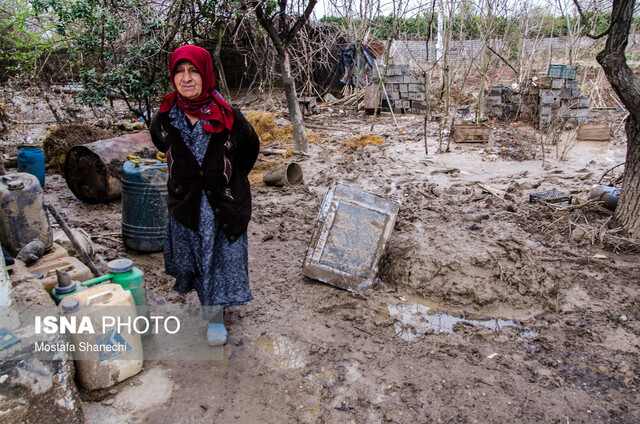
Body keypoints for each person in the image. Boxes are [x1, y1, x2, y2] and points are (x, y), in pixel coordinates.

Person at [150, 45, 260, 346]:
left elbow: (249, 150)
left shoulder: (229, 118)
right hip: (186, 203)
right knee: (197, 260)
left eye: (194, 71)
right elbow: (162, 147)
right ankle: (212, 304)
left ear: (206, 74)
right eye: (179, 71)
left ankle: (214, 317)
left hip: (220, 204)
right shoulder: (164, 118)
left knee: (219, 258)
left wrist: (226, 178)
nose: (186, 78)